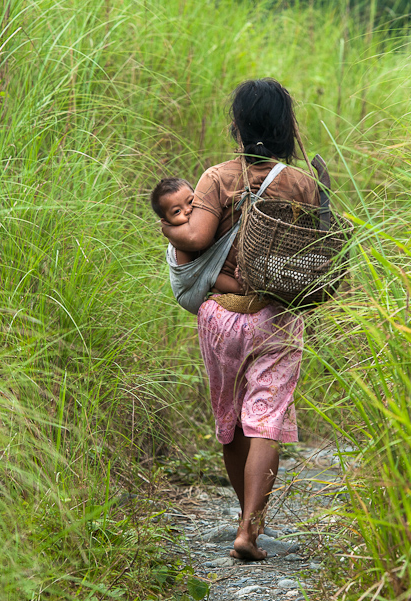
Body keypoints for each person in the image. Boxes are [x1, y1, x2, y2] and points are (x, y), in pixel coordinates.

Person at [161, 78, 320, 561]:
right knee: (266, 421)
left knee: (230, 420)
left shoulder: (216, 177)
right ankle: (251, 528)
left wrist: (169, 227)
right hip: (278, 316)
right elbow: (314, 258)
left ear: (239, 125)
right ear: (285, 127)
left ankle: (244, 519)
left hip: (221, 318)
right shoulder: (303, 185)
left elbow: (198, 237)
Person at [151, 177, 242, 294]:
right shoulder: (181, 238)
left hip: (214, 270)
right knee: (236, 286)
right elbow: (191, 277)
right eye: (177, 211)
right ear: (167, 222)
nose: (188, 210)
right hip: (195, 285)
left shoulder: (203, 220)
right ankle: (244, 290)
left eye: (190, 201)